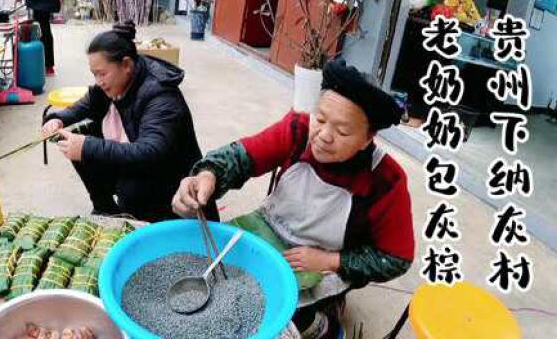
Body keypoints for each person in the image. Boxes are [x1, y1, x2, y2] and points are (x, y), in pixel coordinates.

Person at [172, 58, 415, 338]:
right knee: (220, 278)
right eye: (321, 119)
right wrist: (207, 175)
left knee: (283, 313)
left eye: (342, 131)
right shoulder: (298, 130)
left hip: (321, 256)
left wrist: (333, 261)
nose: (323, 136)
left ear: (367, 139)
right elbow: (241, 157)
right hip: (268, 226)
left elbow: (396, 258)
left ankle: (320, 323)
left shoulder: (386, 180)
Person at [42, 21, 205, 222]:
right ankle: (106, 208)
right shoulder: (116, 81)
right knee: (80, 142)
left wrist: (88, 147)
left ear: (127, 65)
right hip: (141, 163)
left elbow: (152, 151)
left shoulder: (161, 96)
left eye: (102, 74)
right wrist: (57, 119)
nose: (99, 81)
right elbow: (83, 106)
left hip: (170, 181)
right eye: (95, 74)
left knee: (122, 184)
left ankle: (137, 219)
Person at [25, 0, 61, 76]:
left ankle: (48, 65)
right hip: (39, 2)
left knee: (44, 32)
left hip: (42, 2)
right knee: (41, 32)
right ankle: (43, 64)